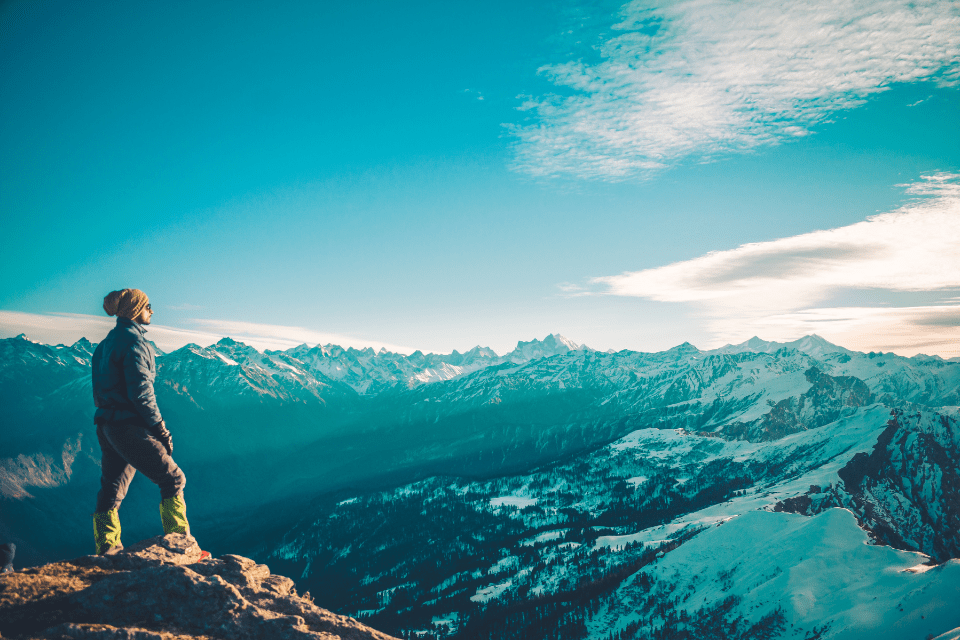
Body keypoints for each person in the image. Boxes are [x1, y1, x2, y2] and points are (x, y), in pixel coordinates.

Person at [91, 289, 208, 559]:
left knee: (111, 489)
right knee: (173, 479)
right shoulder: (134, 344)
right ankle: (182, 546)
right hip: (130, 427)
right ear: (135, 310)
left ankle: (106, 550)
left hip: (107, 425)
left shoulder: (106, 343)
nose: (152, 311)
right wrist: (160, 430)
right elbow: (142, 394)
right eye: (148, 306)